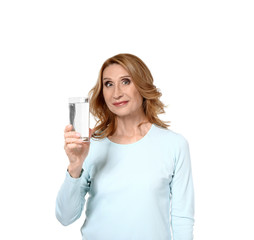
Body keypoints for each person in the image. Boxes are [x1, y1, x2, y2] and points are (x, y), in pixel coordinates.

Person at [55, 53, 195, 240]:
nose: (116, 93)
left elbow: (182, 219)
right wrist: (75, 165)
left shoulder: (174, 145)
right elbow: (65, 217)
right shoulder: (91, 144)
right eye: (108, 84)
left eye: (126, 81)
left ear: (142, 85)